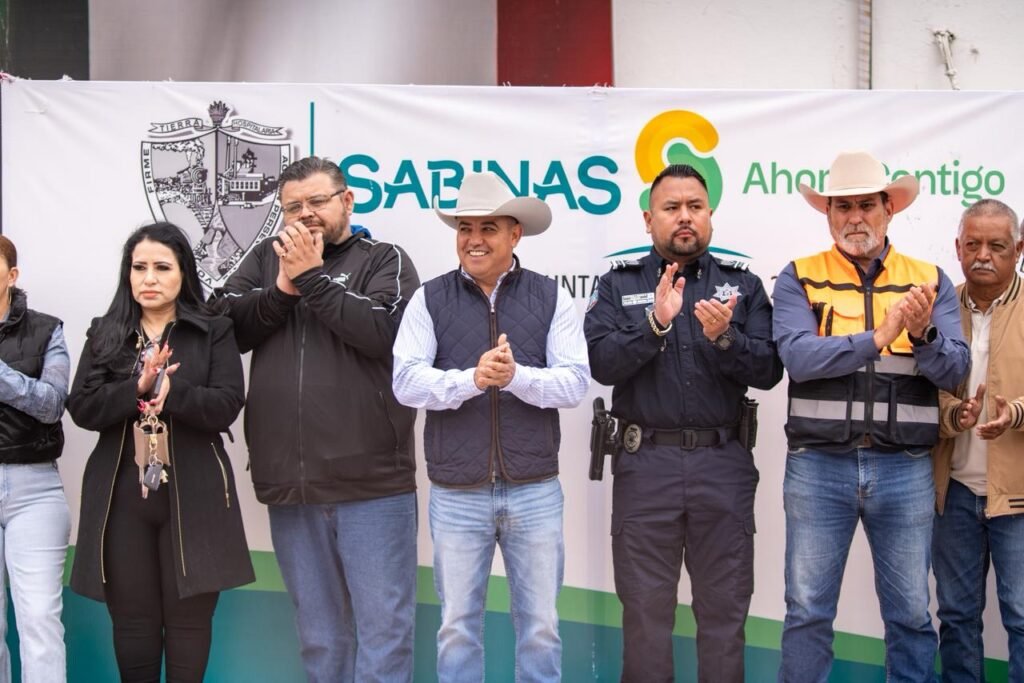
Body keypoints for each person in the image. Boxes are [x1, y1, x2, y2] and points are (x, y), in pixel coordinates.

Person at [215, 156, 420, 683]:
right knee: (320, 637)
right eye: (293, 206)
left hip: (372, 485)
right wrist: (283, 290)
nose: (305, 214)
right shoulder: (264, 259)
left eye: (317, 201)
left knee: (384, 634)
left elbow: (384, 334)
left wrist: (310, 277)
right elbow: (226, 328)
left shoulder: (385, 259)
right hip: (292, 484)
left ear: (346, 201)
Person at [772, 150, 970, 682]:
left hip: (905, 467)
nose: (854, 217)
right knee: (807, 613)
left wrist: (924, 334)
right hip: (818, 466)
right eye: (843, 206)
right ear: (828, 213)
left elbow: (955, 370)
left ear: (889, 209)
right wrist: (877, 337)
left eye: (866, 205)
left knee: (910, 616)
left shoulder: (928, 279)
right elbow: (798, 358)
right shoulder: (798, 276)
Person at [584, 163, 783, 682]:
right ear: (649, 219)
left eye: (695, 206)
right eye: (671, 208)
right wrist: (655, 324)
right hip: (645, 467)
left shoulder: (743, 286)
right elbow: (601, 364)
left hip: (723, 466)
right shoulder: (618, 284)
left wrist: (725, 339)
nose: (684, 217)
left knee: (724, 616)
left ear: (710, 213)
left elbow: (769, 371)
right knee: (646, 619)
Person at [392, 171, 590, 682]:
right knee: (457, 628)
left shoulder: (551, 297)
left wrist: (516, 377)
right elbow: (405, 382)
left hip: (534, 489)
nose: (473, 239)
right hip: (457, 492)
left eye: (488, 228)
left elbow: (575, 383)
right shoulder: (429, 299)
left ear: (515, 234)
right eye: (465, 228)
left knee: (541, 627)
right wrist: (472, 380)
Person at [68, 222, 254, 682]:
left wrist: (174, 393)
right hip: (121, 497)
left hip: (197, 495)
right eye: (139, 268)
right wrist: (137, 387)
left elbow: (227, 405)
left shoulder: (213, 329)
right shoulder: (106, 331)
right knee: (133, 624)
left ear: (183, 273)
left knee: (190, 624)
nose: (148, 278)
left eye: (162, 267)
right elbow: (83, 407)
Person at [932, 199, 1024, 682]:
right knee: (956, 618)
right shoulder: (939, 309)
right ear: (958, 248)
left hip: (1019, 498)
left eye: (997, 245)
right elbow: (920, 391)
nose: (983, 255)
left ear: (1019, 250)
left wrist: (1016, 413)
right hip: (953, 494)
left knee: (1023, 618)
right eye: (973, 244)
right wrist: (955, 414)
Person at [0, 235, 71, 683]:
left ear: (12, 275)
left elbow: (52, 403)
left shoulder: (47, 330)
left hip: (35, 488)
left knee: (40, 618)